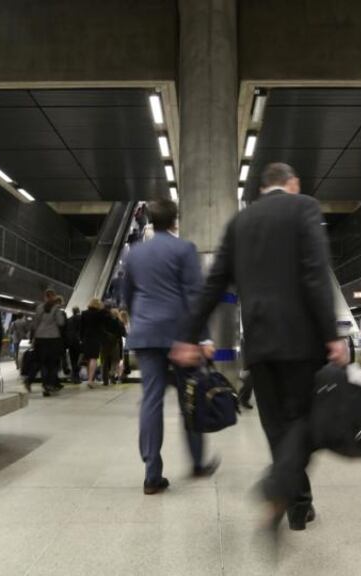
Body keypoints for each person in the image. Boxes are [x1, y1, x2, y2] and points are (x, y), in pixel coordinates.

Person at [172, 162, 348, 530]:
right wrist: (332, 335)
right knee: (303, 421)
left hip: (260, 342)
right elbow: (315, 274)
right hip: (302, 342)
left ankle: (297, 501)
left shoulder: (240, 222)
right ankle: (283, 491)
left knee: (277, 426)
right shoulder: (305, 208)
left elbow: (214, 283)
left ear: (263, 187)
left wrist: (188, 335)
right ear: (292, 182)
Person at [122, 198, 218, 495]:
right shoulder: (184, 249)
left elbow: (127, 295)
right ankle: (198, 463)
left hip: (146, 335)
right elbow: (195, 296)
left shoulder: (134, 254)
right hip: (181, 337)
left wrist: (139, 321)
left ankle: (152, 474)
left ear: (150, 219)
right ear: (175, 221)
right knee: (191, 398)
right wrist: (202, 338)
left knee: (151, 401)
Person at [30, 290, 66, 396]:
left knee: (43, 363)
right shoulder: (56, 308)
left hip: (40, 338)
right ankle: (50, 384)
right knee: (53, 364)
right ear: (54, 297)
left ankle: (45, 385)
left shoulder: (39, 308)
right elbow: (61, 322)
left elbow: (35, 323)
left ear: (45, 297)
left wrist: (34, 338)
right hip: (53, 338)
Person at [80, 298, 107, 389]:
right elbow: (103, 324)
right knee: (94, 358)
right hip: (96, 338)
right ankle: (91, 380)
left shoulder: (84, 313)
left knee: (88, 358)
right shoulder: (99, 314)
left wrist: (81, 338)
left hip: (86, 338)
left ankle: (89, 379)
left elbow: (82, 327)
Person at [99, 308, 125, 387]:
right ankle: (112, 374)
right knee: (115, 360)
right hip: (115, 343)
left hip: (104, 344)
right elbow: (123, 333)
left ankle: (105, 380)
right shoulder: (119, 322)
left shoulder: (104, 322)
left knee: (104, 361)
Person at [64, 306, 83, 383]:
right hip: (79, 341)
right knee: (79, 359)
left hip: (70, 342)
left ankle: (74, 377)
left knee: (73, 360)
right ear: (78, 311)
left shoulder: (69, 320)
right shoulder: (81, 318)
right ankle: (76, 376)